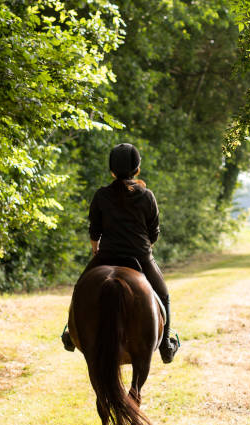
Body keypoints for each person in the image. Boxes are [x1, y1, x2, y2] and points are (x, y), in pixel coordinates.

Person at [62, 143, 179, 363]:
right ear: (137, 169)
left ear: (112, 170)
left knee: (80, 288)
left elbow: (94, 229)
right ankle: (166, 344)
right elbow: (154, 232)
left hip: (106, 256)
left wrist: (96, 248)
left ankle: (71, 333)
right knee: (163, 295)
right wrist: (145, 247)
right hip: (141, 257)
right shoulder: (147, 196)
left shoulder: (101, 195)